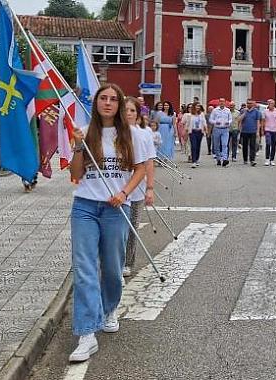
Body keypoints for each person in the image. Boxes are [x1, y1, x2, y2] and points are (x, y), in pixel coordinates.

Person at [67, 84, 148, 362]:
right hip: (85, 207)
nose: (108, 103)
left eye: (114, 99)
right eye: (104, 98)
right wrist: (78, 146)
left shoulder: (130, 135)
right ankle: (86, 333)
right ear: (96, 103)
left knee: (113, 269)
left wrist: (125, 193)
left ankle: (110, 307)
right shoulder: (86, 132)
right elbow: (76, 174)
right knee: (84, 268)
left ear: (119, 104)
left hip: (116, 209)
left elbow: (140, 168)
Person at [123, 97, 156, 277]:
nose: (128, 113)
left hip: (136, 189)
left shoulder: (145, 134)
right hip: (116, 187)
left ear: (138, 115)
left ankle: (128, 262)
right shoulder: (113, 133)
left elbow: (149, 162)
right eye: (125, 110)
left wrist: (150, 188)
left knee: (131, 227)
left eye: (132, 110)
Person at [239, 99, 263, 166]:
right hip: (244, 131)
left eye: (250, 103)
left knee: (253, 146)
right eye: (248, 103)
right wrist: (244, 113)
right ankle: (245, 159)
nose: (249, 104)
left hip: (253, 131)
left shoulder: (256, 112)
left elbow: (258, 122)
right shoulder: (243, 110)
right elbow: (239, 120)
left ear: (253, 104)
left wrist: (258, 131)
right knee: (245, 146)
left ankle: (252, 160)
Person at [210, 98, 232, 167]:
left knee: (224, 144)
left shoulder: (228, 110)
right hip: (217, 129)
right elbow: (211, 119)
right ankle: (218, 158)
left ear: (225, 103)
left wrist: (228, 123)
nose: (222, 103)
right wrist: (215, 122)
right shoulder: (215, 110)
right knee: (216, 145)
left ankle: (225, 159)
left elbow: (230, 119)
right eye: (221, 102)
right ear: (219, 103)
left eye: (223, 102)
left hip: (225, 129)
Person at [184, 103, 207, 168]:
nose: (198, 107)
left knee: (198, 146)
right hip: (192, 132)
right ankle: (193, 161)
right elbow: (187, 124)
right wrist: (185, 132)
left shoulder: (202, 114)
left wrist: (206, 130)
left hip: (200, 131)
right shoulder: (190, 115)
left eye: (199, 106)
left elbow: (204, 122)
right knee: (193, 146)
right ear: (194, 107)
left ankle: (196, 159)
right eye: (197, 106)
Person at [262, 99, 276, 166]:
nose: (270, 105)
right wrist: (262, 130)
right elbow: (263, 121)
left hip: (275, 130)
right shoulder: (265, 111)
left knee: (273, 145)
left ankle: (272, 159)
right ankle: (267, 159)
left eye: (272, 103)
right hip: (267, 129)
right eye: (269, 103)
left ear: (274, 104)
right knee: (268, 143)